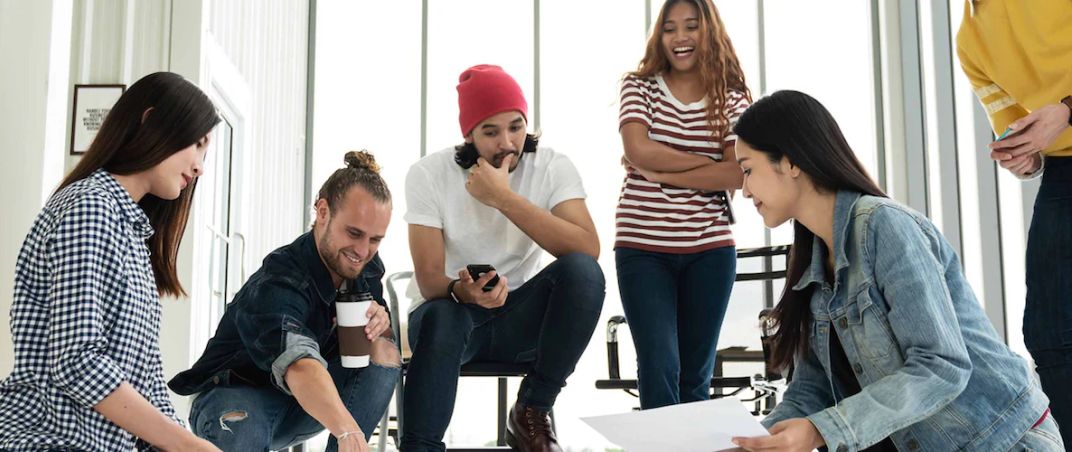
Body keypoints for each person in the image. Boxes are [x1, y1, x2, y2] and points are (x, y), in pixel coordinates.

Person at [729, 90, 1061, 452]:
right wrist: (745, 442)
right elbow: (811, 391)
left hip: (1001, 440)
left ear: (790, 162)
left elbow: (941, 365)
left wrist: (820, 431)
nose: (743, 190)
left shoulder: (883, 226)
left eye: (748, 170)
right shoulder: (812, 266)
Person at [0, 72, 220, 452]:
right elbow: (77, 362)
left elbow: (148, 386)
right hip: (32, 439)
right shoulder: (90, 208)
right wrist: (187, 446)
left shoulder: (132, 234)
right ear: (150, 121)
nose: (199, 167)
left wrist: (190, 444)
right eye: (197, 145)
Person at [400, 64, 606, 452]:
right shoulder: (428, 174)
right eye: (490, 132)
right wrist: (462, 291)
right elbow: (428, 279)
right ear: (469, 135)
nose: (507, 143)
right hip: (449, 319)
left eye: (516, 126)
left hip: (518, 319)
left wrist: (503, 198)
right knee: (444, 315)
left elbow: (587, 248)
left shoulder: (551, 166)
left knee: (583, 271)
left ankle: (532, 409)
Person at [170, 151, 401, 452]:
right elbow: (299, 365)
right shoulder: (281, 277)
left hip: (303, 404)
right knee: (243, 426)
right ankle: (351, 441)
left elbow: (373, 351)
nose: (362, 250)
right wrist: (347, 430)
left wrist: (380, 324)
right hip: (237, 398)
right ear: (323, 212)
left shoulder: (366, 267)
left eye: (375, 239)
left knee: (384, 349)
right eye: (354, 233)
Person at [616, 0, 751, 410]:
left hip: (710, 249)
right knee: (659, 364)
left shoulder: (732, 98)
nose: (680, 37)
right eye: (670, 28)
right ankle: (662, 441)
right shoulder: (638, 87)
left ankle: (692, 441)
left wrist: (662, 172)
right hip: (642, 247)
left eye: (690, 26)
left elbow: (737, 173)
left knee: (696, 376)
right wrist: (709, 164)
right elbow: (637, 150)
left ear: (709, 30)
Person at [956, 0, 1072, 442]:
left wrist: (1066, 110)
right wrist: (1024, 157)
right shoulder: (970, 42)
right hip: (1064, 169)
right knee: (1048, 333)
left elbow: (1057, 117)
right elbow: (1021, 131)